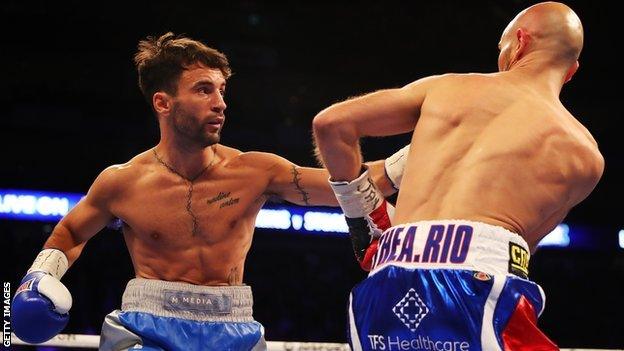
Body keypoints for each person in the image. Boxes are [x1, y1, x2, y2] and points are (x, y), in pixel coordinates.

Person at [11, 32, 407, 351]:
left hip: (234, 327)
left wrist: (418, 154)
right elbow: (72, 233)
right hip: (146, 328)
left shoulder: (256, 171)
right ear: (163, 103)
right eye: (203, 90)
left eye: (221, 91)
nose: (220, 104)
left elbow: (348, 186)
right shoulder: (122, 182)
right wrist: (37, 277)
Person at [313, 2, 604, 350]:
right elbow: (520, 251)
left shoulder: (446, 88)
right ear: (572, 70)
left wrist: (362, 212)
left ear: (520, 42)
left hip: (383, 284)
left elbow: (331, 124)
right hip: (479, 288)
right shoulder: (584, 155)